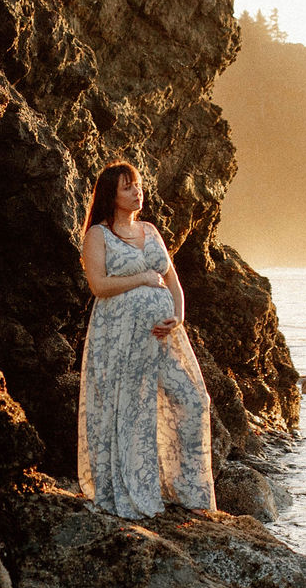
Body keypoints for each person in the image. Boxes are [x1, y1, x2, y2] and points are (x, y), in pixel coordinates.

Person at [76, 160, 215, 517]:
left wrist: (178, 316)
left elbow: (170, 278)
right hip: (118, 337)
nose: (137, 191)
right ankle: (137, 491)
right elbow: (99, 286)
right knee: (131, 413)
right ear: (111, 194)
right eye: (127, 187)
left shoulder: (151, 231)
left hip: (162, 337)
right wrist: (140, 279)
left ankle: (188, 491)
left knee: (192, 400)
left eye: (137, 185)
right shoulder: (98, 235)